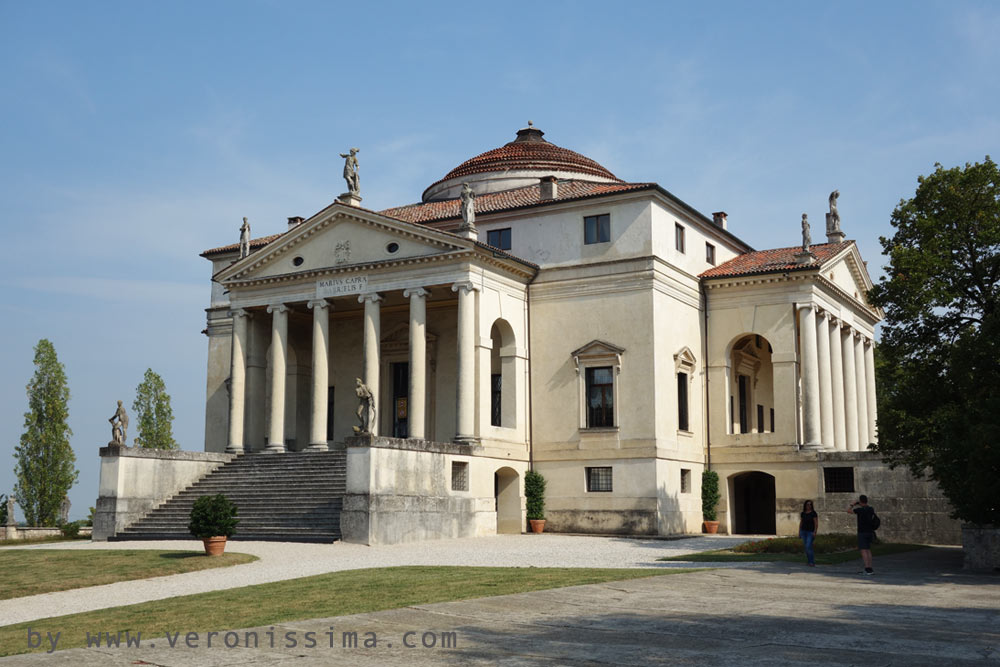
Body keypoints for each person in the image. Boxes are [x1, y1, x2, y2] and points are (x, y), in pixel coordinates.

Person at [848, 494, 876, 575]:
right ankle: (870, 567)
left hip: (862, 532)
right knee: (868, 550)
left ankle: (867, 569)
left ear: (860, 501)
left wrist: (852, 504)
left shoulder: (860, 510)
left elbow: (848, 511)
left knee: (863, 550)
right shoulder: (871, 509)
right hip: (869, 531)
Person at [799, 500, 818, 566]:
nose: (809, 506)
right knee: (807, 547)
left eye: (810, 504)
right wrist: (799, 532)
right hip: (803, 531)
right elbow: (801, 522)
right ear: (805, 505)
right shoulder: (803, 513)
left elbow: (816, 523)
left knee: (808, 546)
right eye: (807, 504)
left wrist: (815, 532)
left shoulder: (813, 513)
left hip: (810, 532)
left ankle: (811, 562)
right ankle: (809, 561)